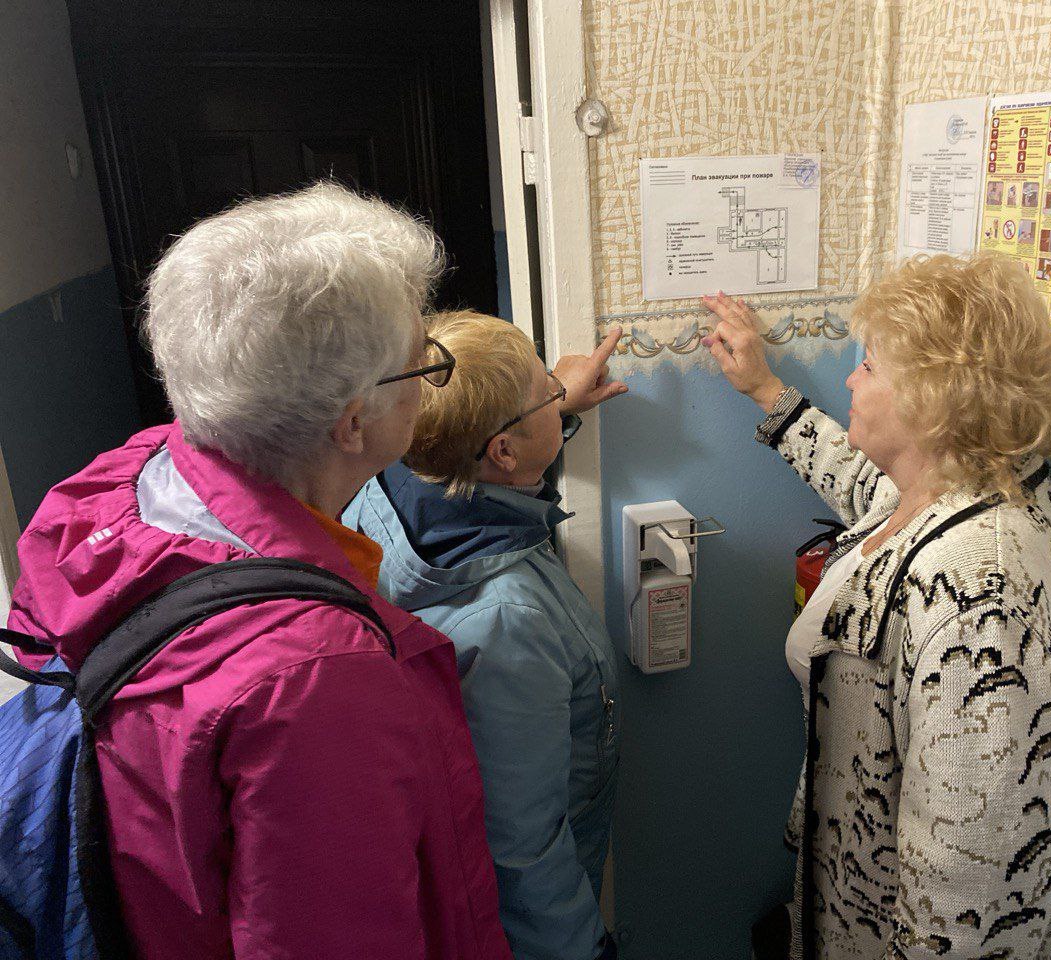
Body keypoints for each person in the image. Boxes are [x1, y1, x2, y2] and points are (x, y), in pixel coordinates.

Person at [6, 184, 511, 960]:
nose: (427, 379)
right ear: (353, 422)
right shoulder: (318, 679)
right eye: (421, 362)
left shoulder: (121, 482)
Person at [701, 251, 1051, 960]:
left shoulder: (982, 599)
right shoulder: (957, 481)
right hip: (854, 894)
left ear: (932, 399)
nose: (852, 379)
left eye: (870, 365)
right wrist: (765, 391)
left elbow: (972, 895)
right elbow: (866, 489)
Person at [343, 312, 626, 960]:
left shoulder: (392, 478)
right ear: (502, 452)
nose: (559, 387)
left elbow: (487, 467)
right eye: (547, 391)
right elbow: (522, 848)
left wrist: (555, 415)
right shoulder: (506, 622)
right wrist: (579, 950)